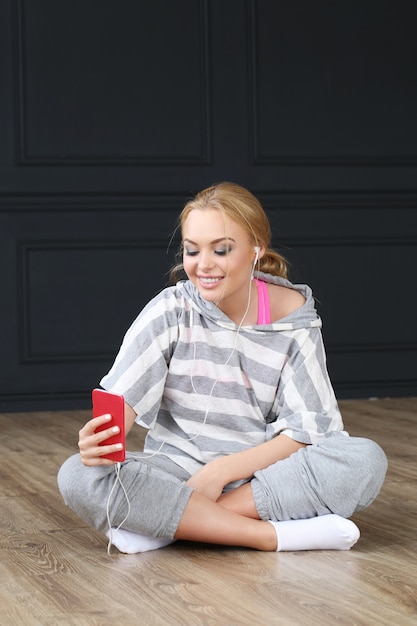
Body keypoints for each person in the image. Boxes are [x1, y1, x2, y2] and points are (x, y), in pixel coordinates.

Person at [58, 182, 387, 554]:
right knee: (78, 474)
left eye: (222, 249)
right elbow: (121, 403)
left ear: (255, 250)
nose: (204, 265)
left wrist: (222, 471)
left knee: (364, 459)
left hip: (259, 480)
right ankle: (269, 537)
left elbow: (307, 431)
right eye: (192, 250)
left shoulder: (295, 321)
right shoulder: (172, 309)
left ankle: (168, 526)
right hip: (176, 474)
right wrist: (99, 443)